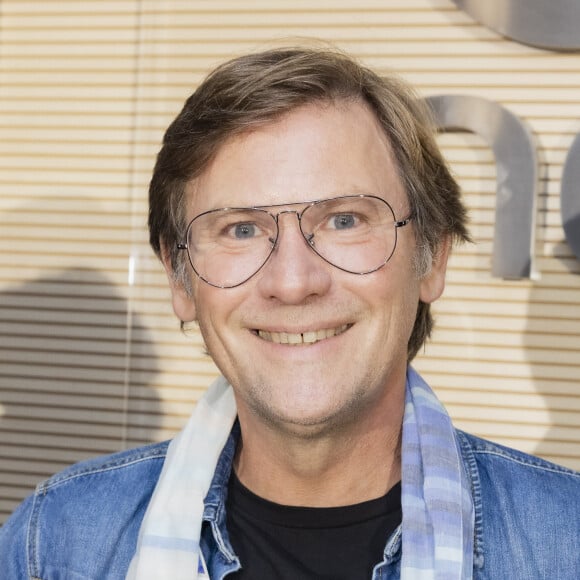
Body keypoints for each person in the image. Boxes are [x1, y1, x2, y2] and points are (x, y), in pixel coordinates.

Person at [1, 46, 579, 580]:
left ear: (432, 259)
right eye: (241, 229)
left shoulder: (565, 545)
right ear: (179, 279)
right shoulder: (56, 543)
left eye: (345, 219)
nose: (293, 281)